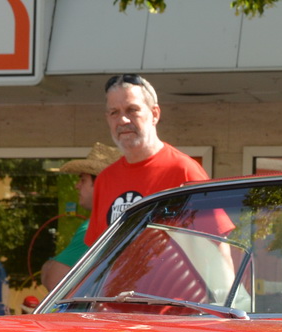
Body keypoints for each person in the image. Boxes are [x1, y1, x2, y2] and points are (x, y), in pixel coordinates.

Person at [86, 75, 209, 241]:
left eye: (132, 110)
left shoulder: (184, 171)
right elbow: (96, 252)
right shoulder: (105, 180)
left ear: (155, 114)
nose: (123, 120)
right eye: (114, 112)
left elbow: (215, 244)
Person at [41, 142, 122, 290]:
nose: (77, 186)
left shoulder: (94, 227)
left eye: (83, 180)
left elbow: (54, 280)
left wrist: (48, 265)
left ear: (101, 184)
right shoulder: (122, 222)